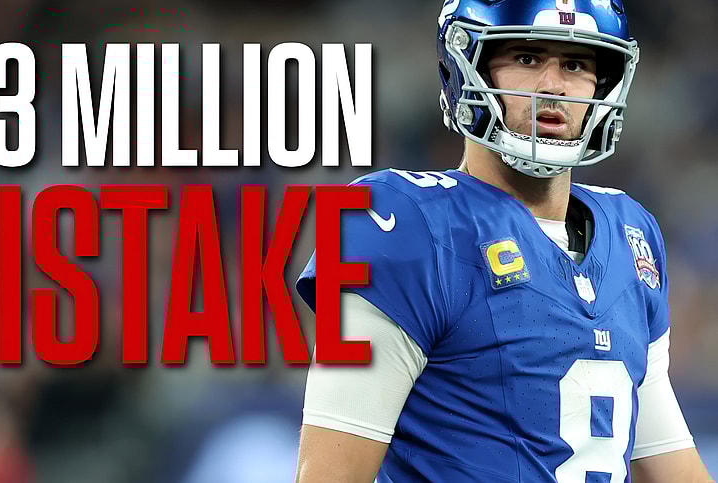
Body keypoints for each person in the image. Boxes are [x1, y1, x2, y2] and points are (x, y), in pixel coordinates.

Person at [293, 0, 716, 481]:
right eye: (527, 58)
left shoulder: (630, 231)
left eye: (575, 64)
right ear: (464, 67)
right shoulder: (402, 221)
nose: (553, 86)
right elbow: (331, 474)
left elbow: (668, 458)